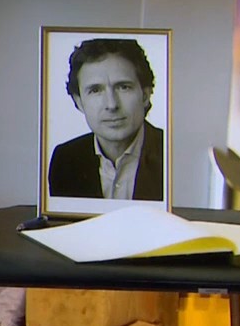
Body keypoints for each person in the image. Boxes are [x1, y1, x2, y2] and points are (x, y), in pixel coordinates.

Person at [47, 37, 166, 202]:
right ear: (79, 102)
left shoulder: (171, 154)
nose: (112, 105)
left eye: (123, 87)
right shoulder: (65, 159)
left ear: (145, 95)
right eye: (95, 90)